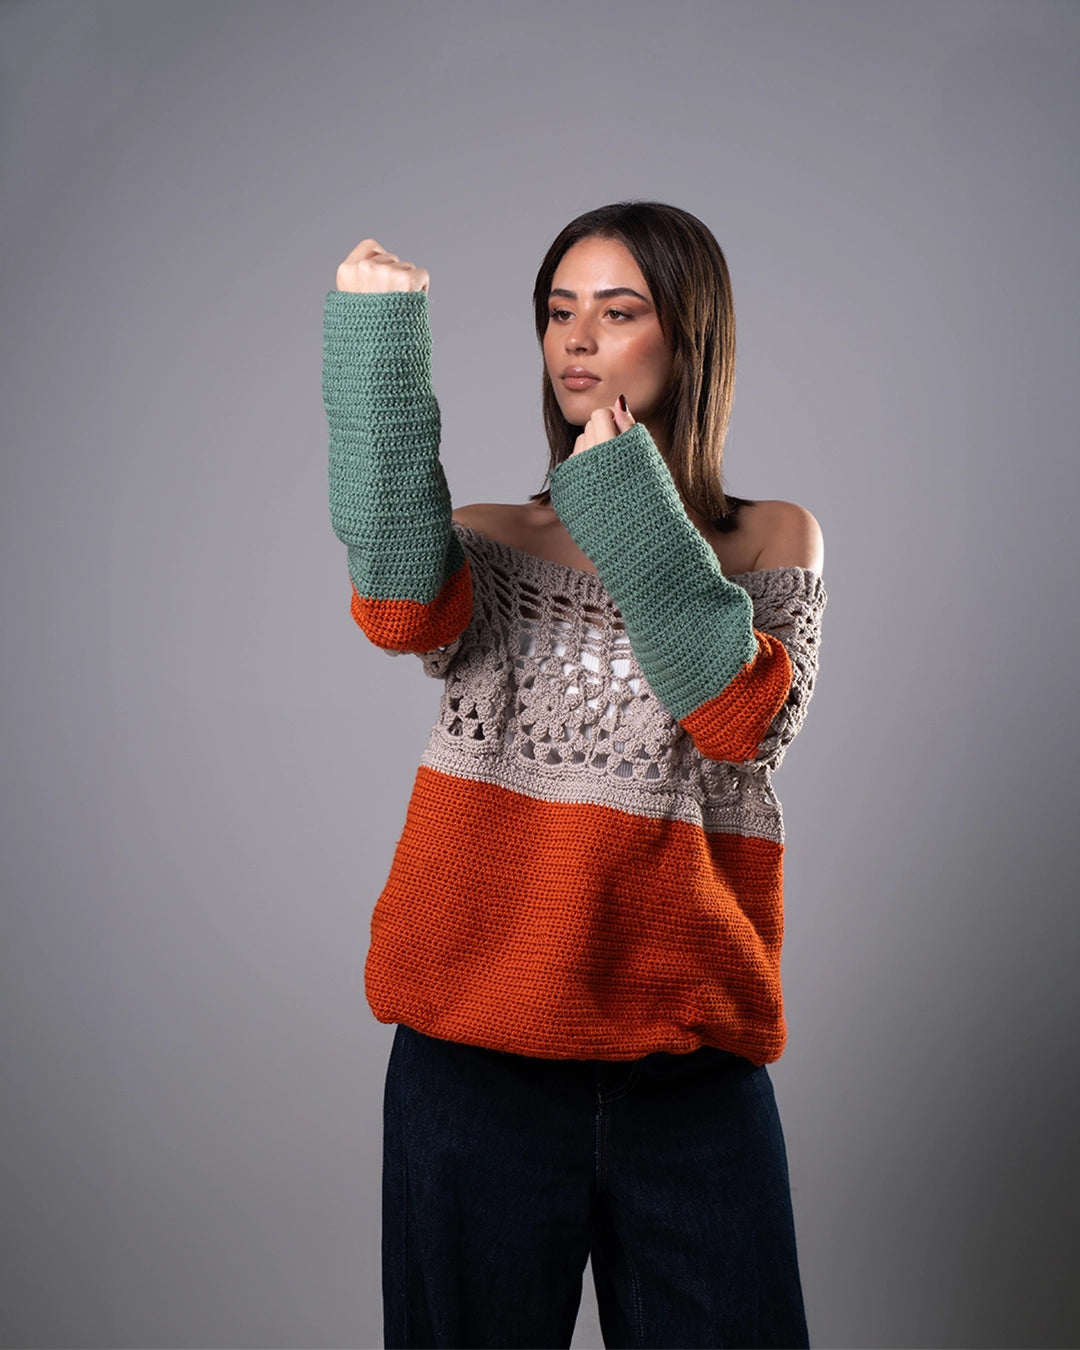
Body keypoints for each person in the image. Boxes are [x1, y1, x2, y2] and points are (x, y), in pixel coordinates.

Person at [323, 201, 826, 1350]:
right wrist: (378, 346)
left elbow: (739, 716)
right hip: (475, 1072)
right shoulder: (490, 539)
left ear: (686, 338)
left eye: (618, 310)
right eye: (559, 313)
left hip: (688, 1078)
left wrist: (626, 497)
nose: (578, 341)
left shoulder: (773, 543)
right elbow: (397, 603)